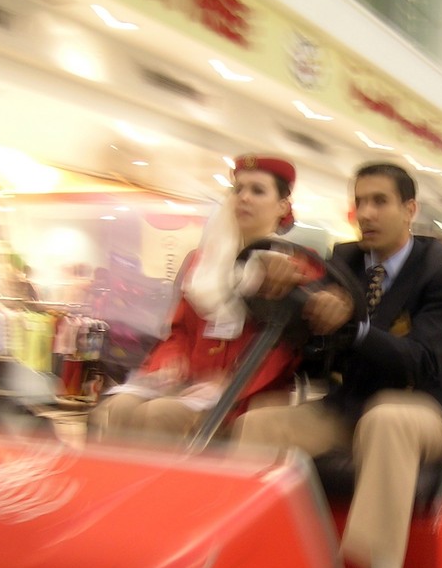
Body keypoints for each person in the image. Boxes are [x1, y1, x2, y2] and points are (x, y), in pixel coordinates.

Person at [231, 162, 442, 568]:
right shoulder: (342, 259)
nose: (366, 213)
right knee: (260, 426)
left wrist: (355, 327)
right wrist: (293, 302)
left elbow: (424, 361)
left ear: (411, 209)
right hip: (351, 405)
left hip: (422, 406)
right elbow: (316, 350)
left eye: (380, 201)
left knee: (385, 421)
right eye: (360, 201)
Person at [90, 154, 316, 445]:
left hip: (248, 392)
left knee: (162, 414)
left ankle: (166, 491)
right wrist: (168, 364)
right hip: (188, 384)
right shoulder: (204, 262)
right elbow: (180, 332)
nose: (244, 198)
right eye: (239, 189)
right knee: (117, 408)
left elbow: (285, 350)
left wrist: (229, 385)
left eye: (257, 191)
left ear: (282, 206)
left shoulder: (294, 266)